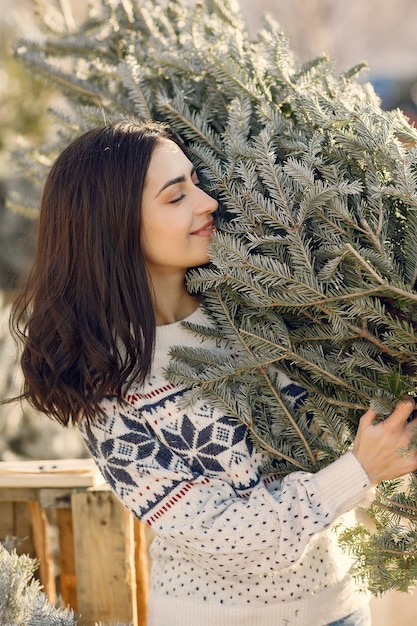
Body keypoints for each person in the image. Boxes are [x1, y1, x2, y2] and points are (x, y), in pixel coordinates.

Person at [10, 118, 417, 626]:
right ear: (114, 225)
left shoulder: (260, 303)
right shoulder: (107, 380)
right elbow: (220, 533)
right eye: (175, 196)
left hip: (341, 607)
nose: (207, 204)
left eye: (196, 184)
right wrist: (357, 471)